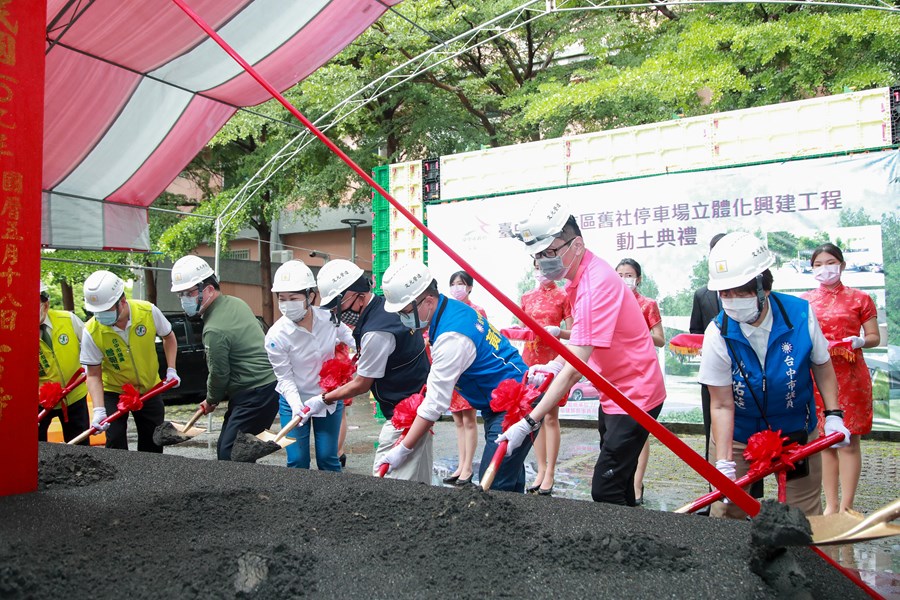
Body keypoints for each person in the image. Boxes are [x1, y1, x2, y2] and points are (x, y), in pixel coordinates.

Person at [498, 198, 666, 506]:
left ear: (576, 245)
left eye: (550, 252)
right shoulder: (580, 278)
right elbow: (579, 341)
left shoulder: (594, 285)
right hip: (614, 392)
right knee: (620, 481)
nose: (544, 260)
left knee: (606, 489)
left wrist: (529, 421)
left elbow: (576, 366)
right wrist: (552, 367)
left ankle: (620, 550)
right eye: (539, 254)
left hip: (635, 394)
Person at [697, 232, 851, 519]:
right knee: (728, 512)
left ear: (762, 288)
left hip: (795, 429)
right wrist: (724, 461)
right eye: (724, 293)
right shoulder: (718, 332)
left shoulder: (800, 314)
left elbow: (821, 364)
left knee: (802, 514)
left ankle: (803, 561)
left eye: (739, 292)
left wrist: (833, 414)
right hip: (739, 432)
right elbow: (720, 404)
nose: (731, 301)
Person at [374, 260, 533, 493]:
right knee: (509, 480)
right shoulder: (450, 309)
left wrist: (403, 449)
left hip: (515, 405)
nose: (402, 318)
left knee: (494, 485)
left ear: (427, 301)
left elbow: (433, 406)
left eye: (405, 311)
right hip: (502, 399)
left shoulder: (452, 336)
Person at [312, 259, 431, 482]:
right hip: (419, 408)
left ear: (355, 295)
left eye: (337, 306)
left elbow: (361, 384)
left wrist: (324, 398)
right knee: (419, 484)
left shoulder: (376, 332)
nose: (337, 313)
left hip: (402, 418)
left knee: (387, 487)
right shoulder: (388, 306)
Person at [170, 255, 279, 461]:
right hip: (263, 389)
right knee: (233, 450)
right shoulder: (236, 303)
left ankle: (244, 491)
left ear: (209, 290)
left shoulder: (214, 329)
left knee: (230, 455)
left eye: (189, 293)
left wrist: (211, 399)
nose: (185, 299)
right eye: (181, 294)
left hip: (255, 394)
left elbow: (219, 373)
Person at [802, 243, 880, 514]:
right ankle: (830, 506)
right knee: (824, 442)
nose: (825, 269)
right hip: (818, 376)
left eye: (830, 262)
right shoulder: (805, 301)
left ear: (843, 265)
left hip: (851, 375)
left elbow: (874, 337)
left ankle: (847, 507)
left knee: (849, 442)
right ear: (812, 269)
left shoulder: (860, 298)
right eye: (818, 264)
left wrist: (860, 341)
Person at [264, 260, 356, 471]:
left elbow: (353, 339)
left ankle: (334, 500)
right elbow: (285, 378)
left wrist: (364, 354)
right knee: (297, 460)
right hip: (293, 401)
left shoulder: (329, 318)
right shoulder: (276, 336)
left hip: (327, 398)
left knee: (328, 458)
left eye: (293, 298)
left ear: (310, 296)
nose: (287, 304)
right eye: (282, 299)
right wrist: (297, 407)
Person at [80, 270, 180, 452]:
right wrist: (99, 409)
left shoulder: (147, 311)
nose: (100, 316)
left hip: (150, 387)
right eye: (97, 311)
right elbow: (93, 373)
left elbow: (169, 337)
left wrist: (171, 369)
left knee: (153, 441)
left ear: (122, 302)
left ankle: (150, 479)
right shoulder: (92, 330)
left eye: (106, 310)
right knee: (115, 440)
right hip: (115, 391)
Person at [519, 269, 573, 495]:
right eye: (537, 267)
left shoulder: (564, 295)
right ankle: (540, 469)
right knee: (534, 416)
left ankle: (550, 471)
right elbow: (521, 328)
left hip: (555, 360)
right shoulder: (526, 297)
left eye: (544, 267)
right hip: (531, 360)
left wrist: (558, 331)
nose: (541, 272)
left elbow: (575, 332)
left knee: (550, 417)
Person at [615, 258, 664, 505]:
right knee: (619, 432)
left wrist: (638, 332)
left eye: (629, 274)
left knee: (640, 431)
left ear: (639, 278)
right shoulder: (611, 303)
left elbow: (660, 339)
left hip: (642, 375)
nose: (624, 278)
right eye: (620, 274)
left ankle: (636, 483)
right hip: (617, 375)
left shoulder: (647, 304)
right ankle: (622, 480)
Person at [442, 270, 486, 486]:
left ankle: (468, 468)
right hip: (453, 374)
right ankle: (460, 465)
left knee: (469, 420)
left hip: (469, 373)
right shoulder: (448, 310)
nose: (456, 287)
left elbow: (481, 341)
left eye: (461, 284)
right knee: (458, 420)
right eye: (453, 284)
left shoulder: (478, 311)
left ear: (469, 287)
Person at [38, 282, 90, 444]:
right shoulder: (14, 328)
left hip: (74, 397)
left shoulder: (68, 319)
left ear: (45, 305)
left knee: (80, 449)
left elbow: (92, 347)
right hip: (40, 402)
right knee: (36, 449)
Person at [690, 233, 726, 463]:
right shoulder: (702, 294)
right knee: (711, 423)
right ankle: (713, 478)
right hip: (712, 372)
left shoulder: (752, 291)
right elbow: (695, 332)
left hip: (746, 373)